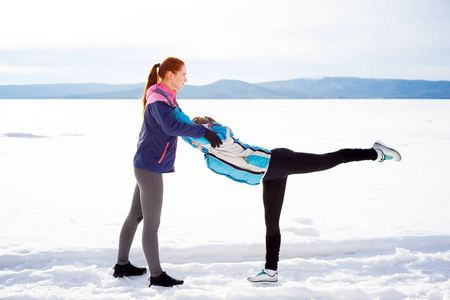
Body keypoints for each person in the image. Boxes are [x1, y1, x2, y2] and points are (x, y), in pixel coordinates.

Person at [182, 116, 401, 283]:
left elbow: (206, 135)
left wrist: (199, 128)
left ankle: (376, 153)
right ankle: (270, 272)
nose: (195, 141)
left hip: (278, 161)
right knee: (271, 222)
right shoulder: (206, 149)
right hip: (269, 174)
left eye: (198, 134)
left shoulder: (219, 139)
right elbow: (184, 134)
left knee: (329, 160)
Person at [113, 58, 222, 287]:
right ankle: (156, 275)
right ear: (170, 75)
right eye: (183, 74)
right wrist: (202, 131)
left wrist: (201, 131)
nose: (186, 79)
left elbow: (178, 123)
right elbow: (171, 127)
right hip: (150, 167)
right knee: (151, 223)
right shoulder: (159, 99)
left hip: (146, 164)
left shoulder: (164, 95)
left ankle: (122, 265)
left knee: (136, 215)